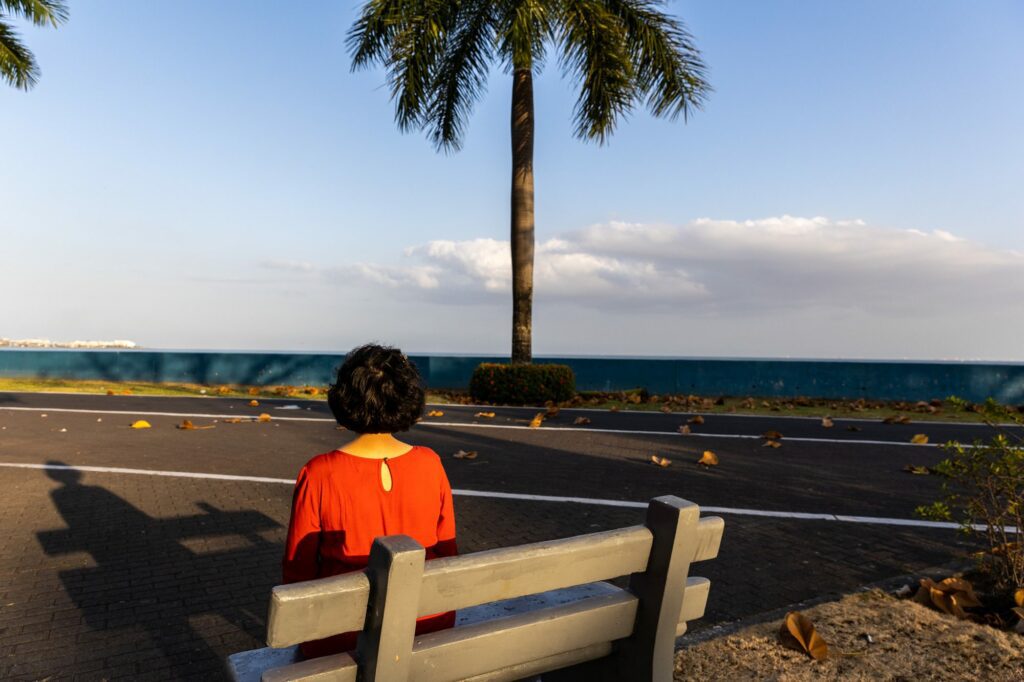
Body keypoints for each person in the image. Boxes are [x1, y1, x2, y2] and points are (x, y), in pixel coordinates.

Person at [281, 344, 457, 659]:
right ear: (408, 399)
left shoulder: (319, 472)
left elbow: (298, 571)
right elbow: (447, 552)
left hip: (344, 633)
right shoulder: (430, 463)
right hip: (425, 622)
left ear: (344, 400)